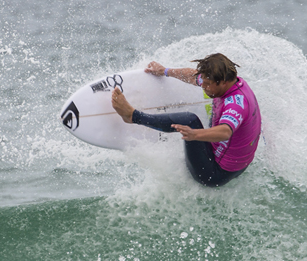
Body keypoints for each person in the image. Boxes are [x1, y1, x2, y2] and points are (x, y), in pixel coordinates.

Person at [111, 53, 261, 187]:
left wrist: (195, 135)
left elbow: (225, 132)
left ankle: (133, 116)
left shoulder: (235, 104)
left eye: (208, 84)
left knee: (189, 120)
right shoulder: (234, 82)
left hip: (215, 173)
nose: (204, 87)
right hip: (237, 163)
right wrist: (165, 71)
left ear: (222, 82)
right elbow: (193, 76)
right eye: (203, 82)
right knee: (211, 107)